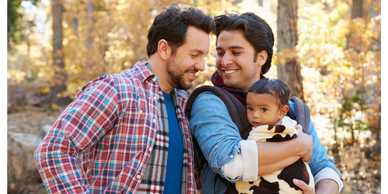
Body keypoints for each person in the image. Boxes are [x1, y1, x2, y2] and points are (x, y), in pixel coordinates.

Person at [34, 4, 214, 194]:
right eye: (194, 55)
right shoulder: (116, 90)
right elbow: (53, 150)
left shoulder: (184, 104)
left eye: (204, 56)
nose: (201, 66)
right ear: (164, 49)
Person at [186, 12, 343, 194]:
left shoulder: (291, 109)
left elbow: (325, 169)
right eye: (220, 53)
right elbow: (230, 164)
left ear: (261, 57)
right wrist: (299, 146)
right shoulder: (210, 101)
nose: (225, 61)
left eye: (236, 52)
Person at [235, 78, 314, 193]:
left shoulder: (262, 133)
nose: (255, 115)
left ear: (282, 112)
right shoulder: (294, 125)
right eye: (250, 108)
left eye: (263, 109)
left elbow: (242, 159)